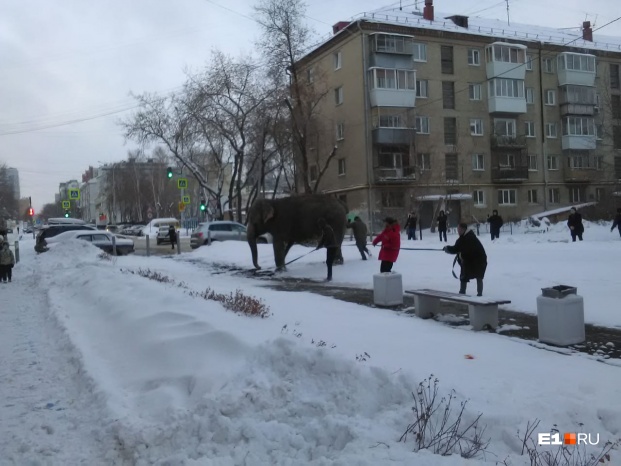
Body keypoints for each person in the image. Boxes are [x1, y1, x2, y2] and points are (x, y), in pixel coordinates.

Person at [443, 222, 487, 296]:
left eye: (459, 229)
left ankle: (479, 294)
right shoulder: (464, 238)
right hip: (470, 260)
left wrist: (450, 250)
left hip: (479, 260)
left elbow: (458, 249)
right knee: (464, 275)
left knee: (478, 276)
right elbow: (456, 248)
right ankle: (462, 292)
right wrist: (447, 248)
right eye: (458, 229)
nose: (458, 231)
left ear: (463, 229)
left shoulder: (469, 238)